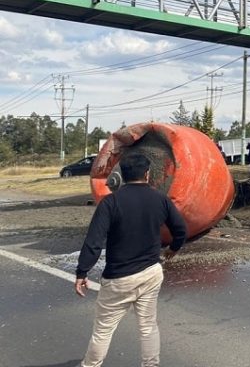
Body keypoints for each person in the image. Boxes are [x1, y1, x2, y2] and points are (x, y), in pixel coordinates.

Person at [75, 152, 187, 367]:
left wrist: (82, 272)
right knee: (148, 326)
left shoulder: (110, 203)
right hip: (150, 273)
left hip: (118, 278)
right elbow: (180, 230)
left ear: (122, 175)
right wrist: (172, 249)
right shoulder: (160, 199)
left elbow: (94, 242)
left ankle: (90, 365)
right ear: (147, 174)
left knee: (103, 330)